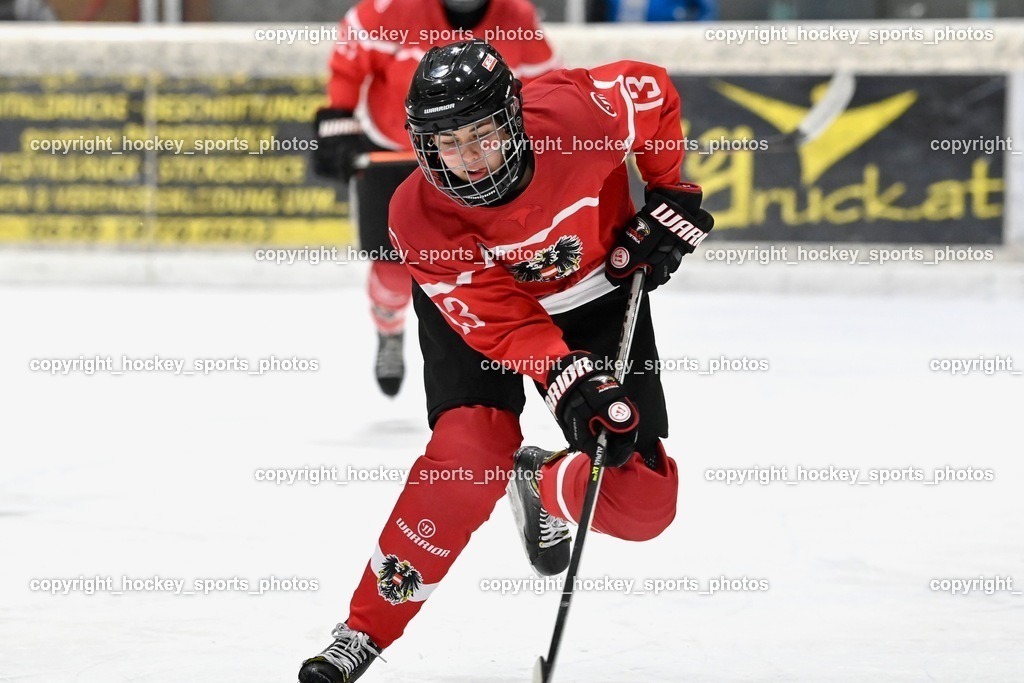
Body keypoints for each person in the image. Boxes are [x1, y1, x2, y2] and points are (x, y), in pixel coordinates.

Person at [298, 40, 714, 682]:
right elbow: (503, 325)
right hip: (487, 312)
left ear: (513, 120)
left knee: (644, 503)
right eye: (447, 143)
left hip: (598, 288)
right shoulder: (417, 215)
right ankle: (363, 630)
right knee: (470, 455)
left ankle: (542, 483)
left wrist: (670, 194)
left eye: (481, 135)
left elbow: (653, 92)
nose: (466, 159)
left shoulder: (579, 118)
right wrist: (570, 379)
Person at [312, 0, 559, 397]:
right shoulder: (392, 9)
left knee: (485, 262)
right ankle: (389, 325)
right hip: (394, 151)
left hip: (479, 159)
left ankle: (493, 339)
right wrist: (338, 120)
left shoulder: (517, 16)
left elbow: (546, 81)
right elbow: (350, 58)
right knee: (392, 270)